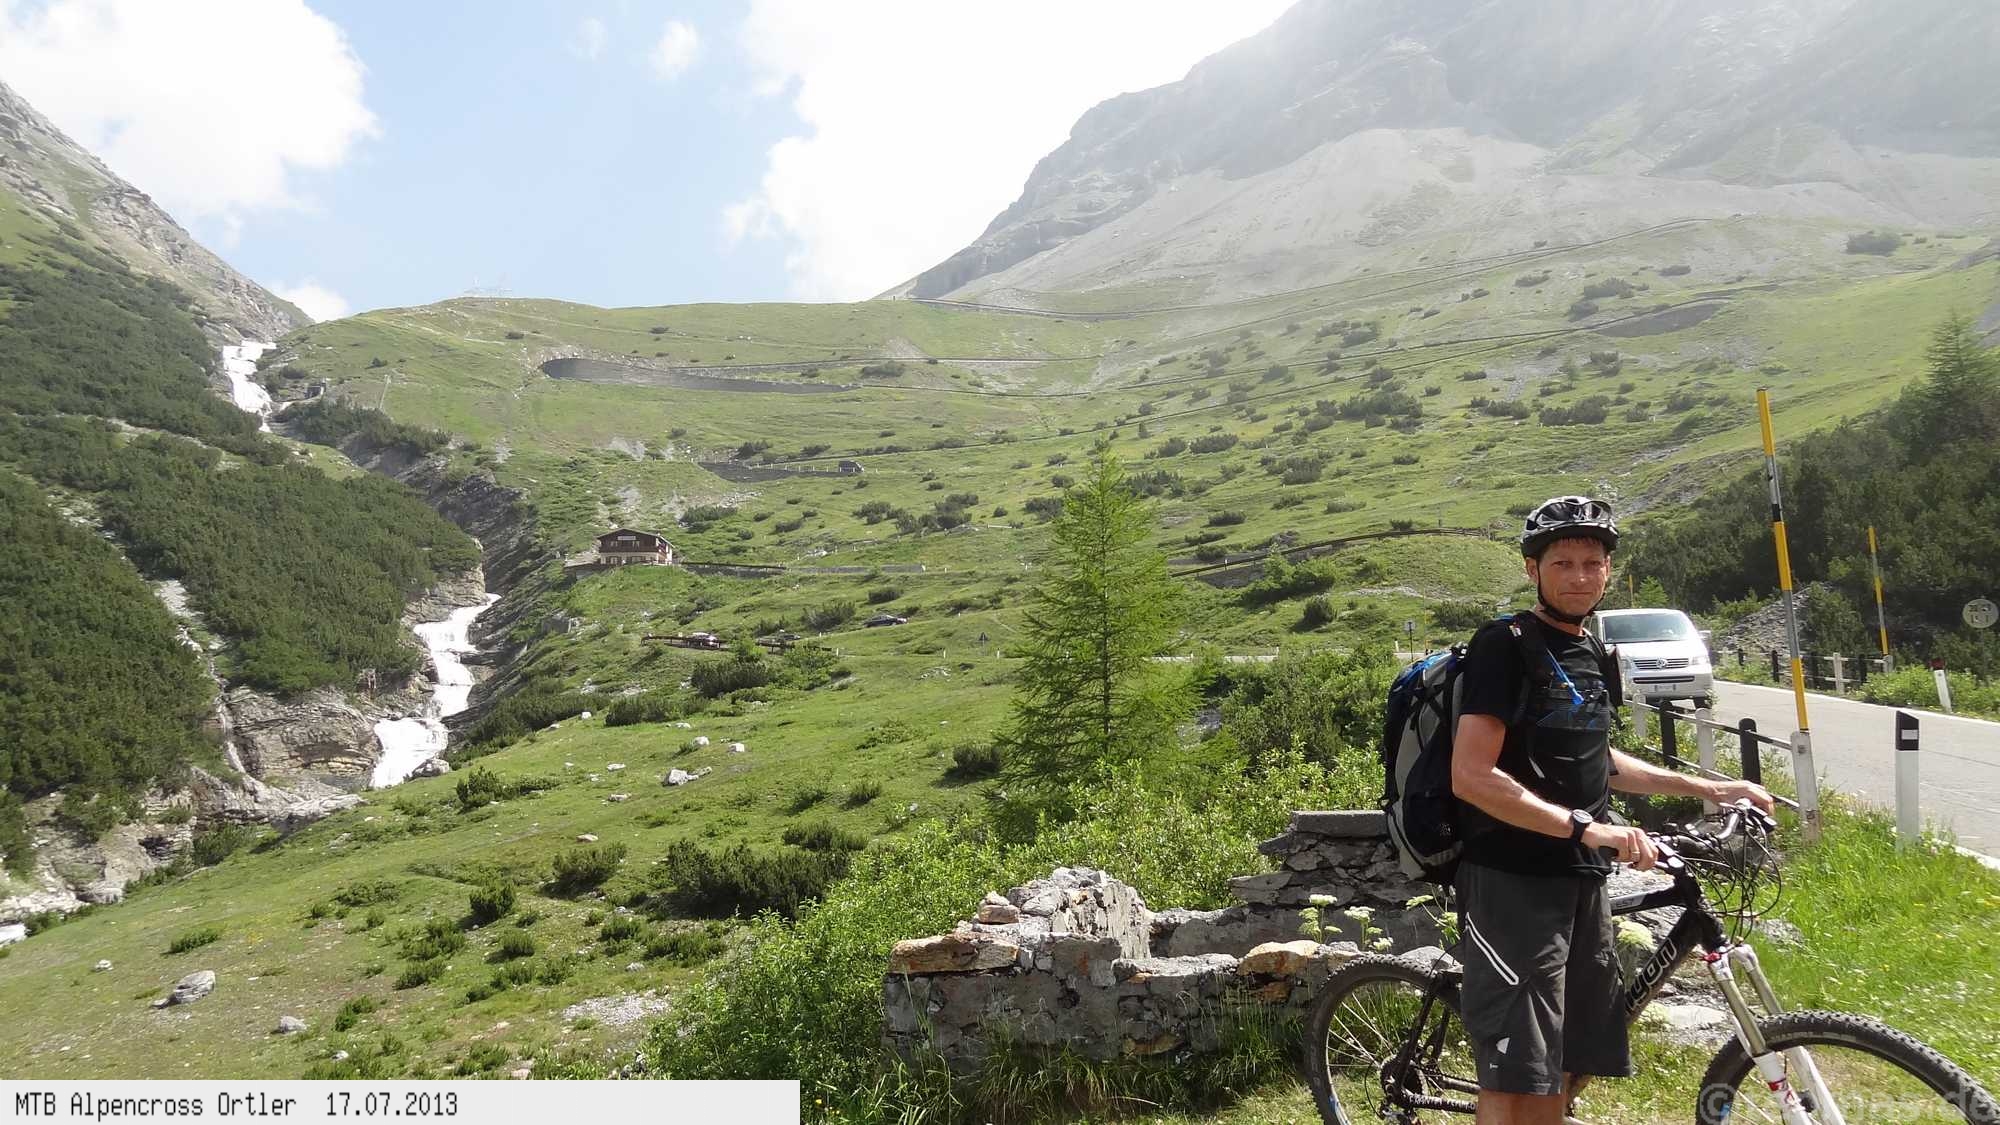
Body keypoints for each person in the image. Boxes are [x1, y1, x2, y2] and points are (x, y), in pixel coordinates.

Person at [1449, 495, 1774, 1125]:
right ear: (1532, 569)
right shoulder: (1504, 646)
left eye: (1592, 563)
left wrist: (1711, 789)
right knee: (1518, 1069)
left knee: (1568, 1057)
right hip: (1513, 877)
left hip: (1582, 877)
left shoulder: (1594, 652)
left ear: (1609, 571)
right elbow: (1472, 776)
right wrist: (1587, 828)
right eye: (1562, 563)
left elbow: (1600, 761)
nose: (1579, 577)